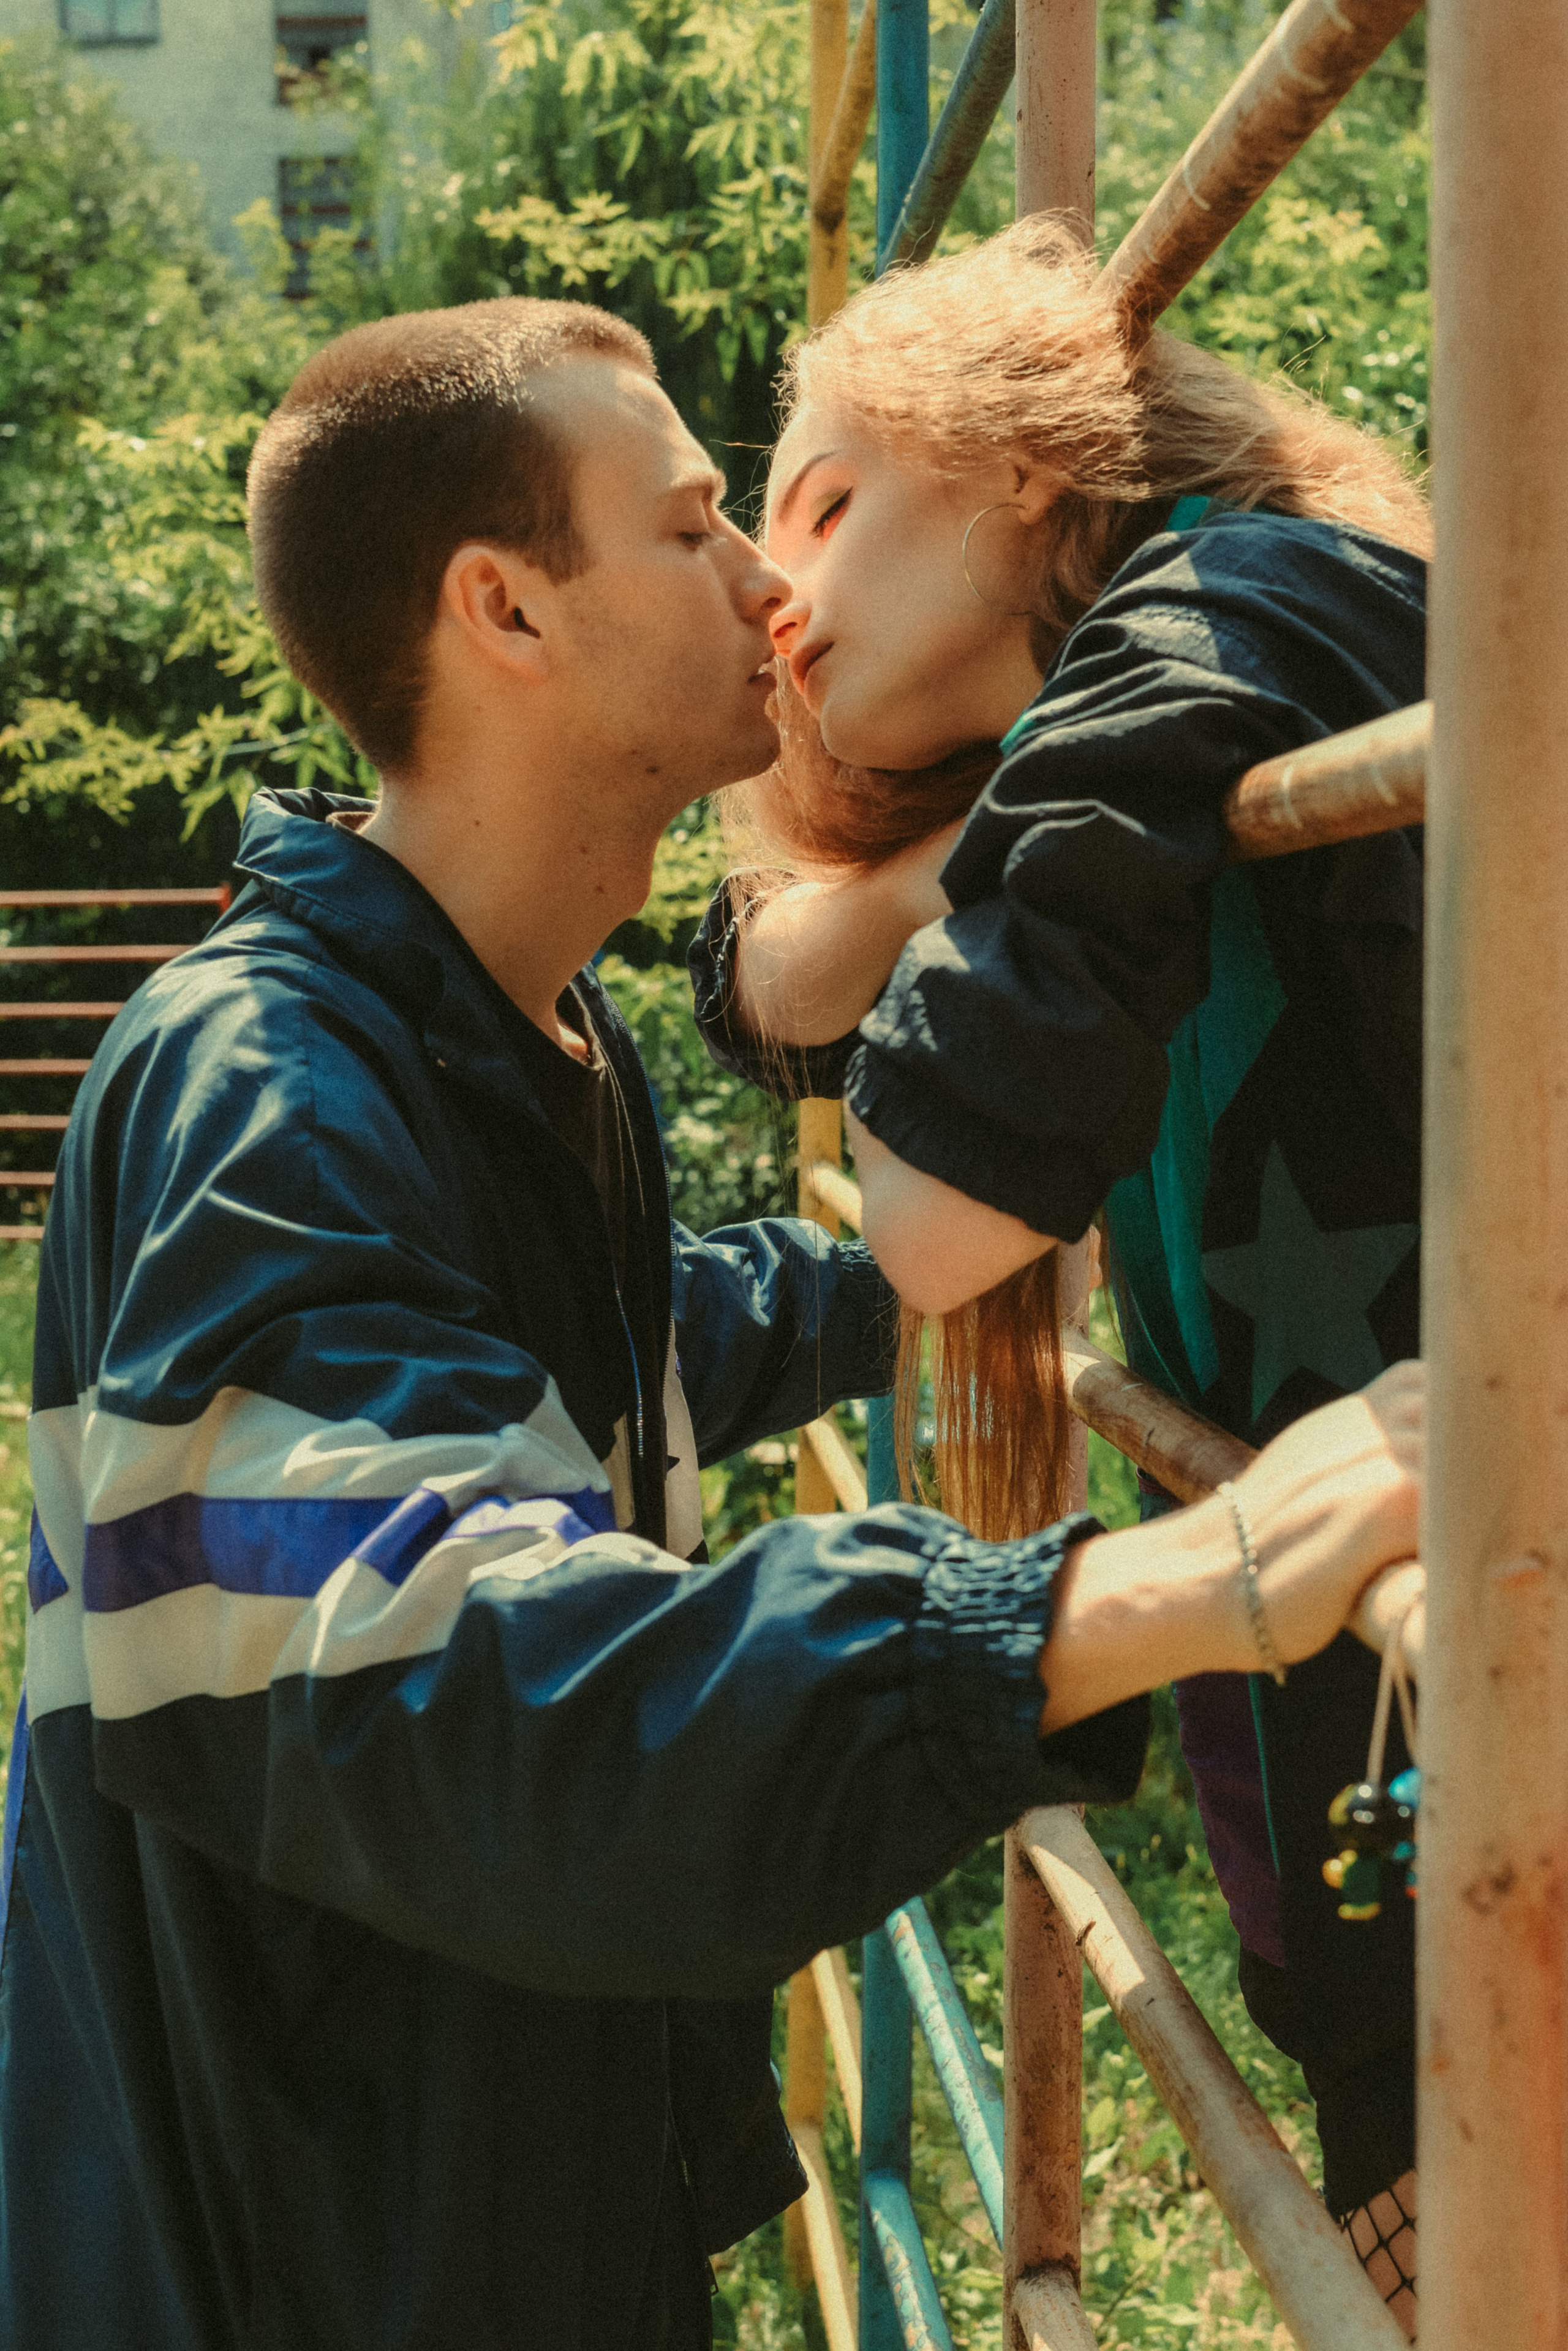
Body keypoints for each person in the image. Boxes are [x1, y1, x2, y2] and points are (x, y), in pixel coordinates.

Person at [1, 294, 1422, 2351]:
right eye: (696, 528)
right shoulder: (265, 1095)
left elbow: (570, 1373)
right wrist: (1173, 1579)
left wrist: (889, 1286)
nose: (770, 585)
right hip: (303, 2270)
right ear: (506, 611)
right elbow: (461, 1695)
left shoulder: (501, 1050)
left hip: (471, 2210)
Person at [692, 219, 1428, 2334]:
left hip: (1445, 1695)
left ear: (1012, 454)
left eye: (826, 501)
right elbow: (766, 983)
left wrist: (992, 840)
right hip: (1371, 1719)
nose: (778, 591)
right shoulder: (1166, 689)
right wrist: (957, 845)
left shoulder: (1236, 602)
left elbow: (929, 1213)